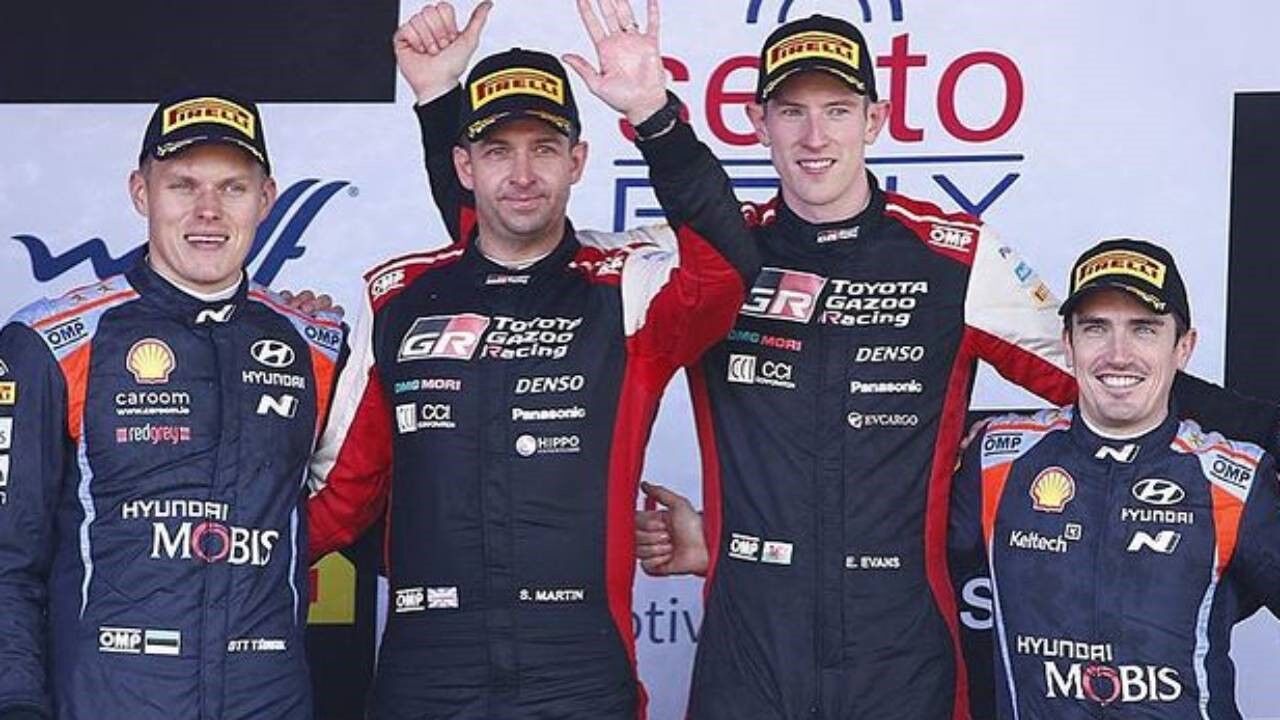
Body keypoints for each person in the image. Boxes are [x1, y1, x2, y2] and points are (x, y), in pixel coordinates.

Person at [629, 14, 1280, 720]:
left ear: (875, 119)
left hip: (902, 654)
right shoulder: (715, 263)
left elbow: (1107, 376)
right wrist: (651, 116)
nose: (815, 137)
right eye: (792, 112)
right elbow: (564, 283)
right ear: (759, 123)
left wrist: (1271, 429)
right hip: (748, 650)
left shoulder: (953, 256)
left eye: (838, 110)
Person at [303, 0, 757, 717]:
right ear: (464, 165)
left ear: (577, 161)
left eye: (544, 148)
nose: (522, 173)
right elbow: (340, 494)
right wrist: (203, 564)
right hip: (427, 671)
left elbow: (727, 271)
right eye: (496, 151)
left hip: (580, 670)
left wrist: (653, 114)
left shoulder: (626, 288)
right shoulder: (398, 297)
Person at [0, 93, 343, 720]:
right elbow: (7, 559)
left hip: (268, 700)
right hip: (108, 701)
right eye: (182, 185)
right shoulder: (50, 343)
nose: (208, 210)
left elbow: (370, 503)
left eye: (232, 188)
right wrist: (17, 703)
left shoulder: (318, 346)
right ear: (142, 192)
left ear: (266, 199)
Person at [948, 238, 1280, 719]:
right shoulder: (996, 460)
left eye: (1144, 329)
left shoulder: (1236, 481)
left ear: (1183, 348)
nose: (1118, 355)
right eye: (1096, 328)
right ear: (1068, 344)